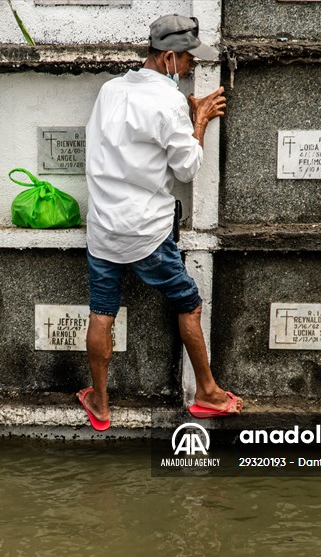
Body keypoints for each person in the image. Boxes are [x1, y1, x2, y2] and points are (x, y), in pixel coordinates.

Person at [77, 14, 243, 432]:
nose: (190, 69)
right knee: (188, 302)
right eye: (188, 61)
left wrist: (182, 115)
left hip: (103, 226)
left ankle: (99, 401)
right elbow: (186, 169)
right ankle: (208, 392)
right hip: (147, 231)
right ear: (169, 57)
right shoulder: (169, 101)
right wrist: (199, 119)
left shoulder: (110, 89)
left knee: (101, 312)